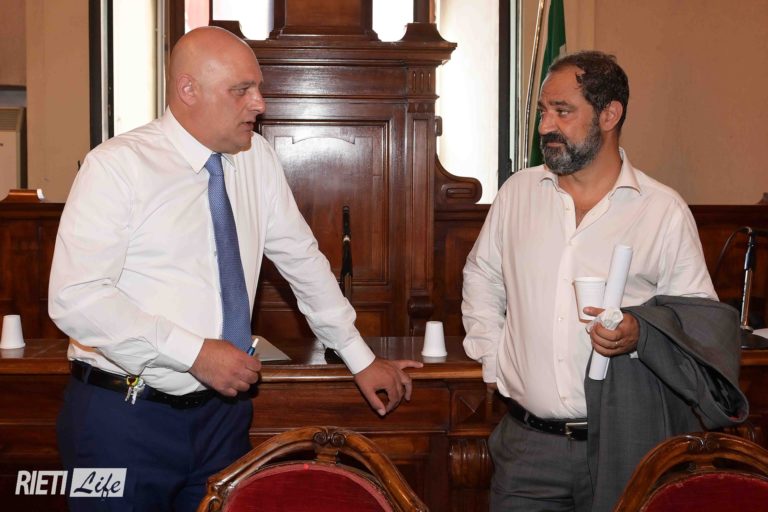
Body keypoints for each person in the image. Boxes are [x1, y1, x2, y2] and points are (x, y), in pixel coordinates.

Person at [49, 26, 421, 511]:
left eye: (258, 88)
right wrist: (194, 353)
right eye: (241, 90)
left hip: (221, 420)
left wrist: (359, 355)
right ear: (188, 90)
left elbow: (301, 260)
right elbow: (76, 298)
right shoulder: (116, 167)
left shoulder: (256, 158)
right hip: (120, 420)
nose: (259, 103)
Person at [461, 50, 746, 512]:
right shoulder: (517, 194)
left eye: (563, 111)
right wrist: (494, 361)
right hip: (527, 447)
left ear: (610, 115)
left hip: (627, 443)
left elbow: (699, 327)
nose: (545, 126)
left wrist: (638, 333)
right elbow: (482, 277)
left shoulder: (661, 210)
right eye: (543, 111)